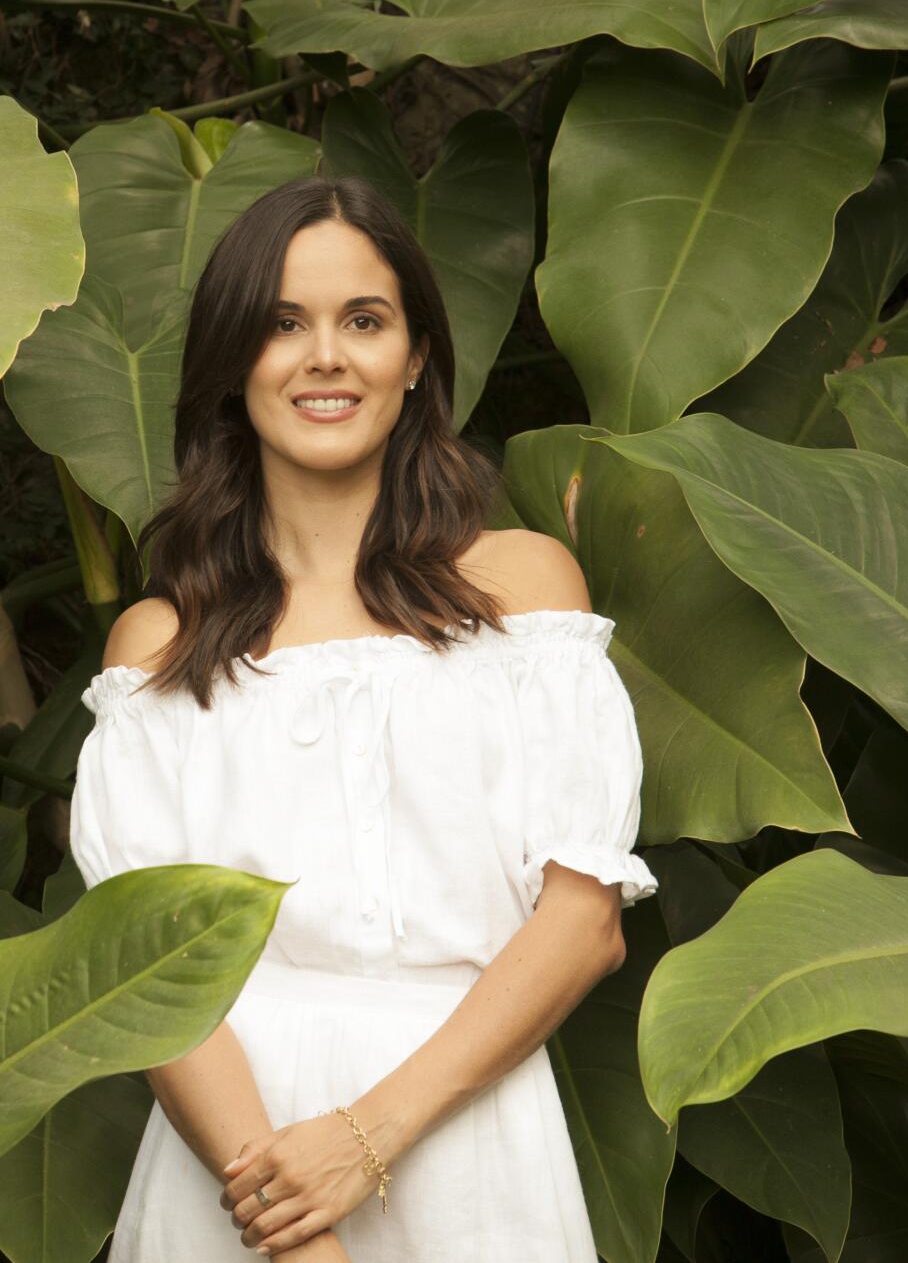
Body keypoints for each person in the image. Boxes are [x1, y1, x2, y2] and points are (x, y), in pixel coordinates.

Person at [67, 173, 659, 1262]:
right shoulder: (158, 647)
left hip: (470, 1139)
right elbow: (146, 971)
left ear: (419, 354)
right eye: (283, 323)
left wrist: (363, 1139)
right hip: (237, 1169)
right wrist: (299, 1234)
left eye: (364, 320)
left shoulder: (524, 593)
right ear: (234, 357)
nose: (325, 356)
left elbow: (584, 922)